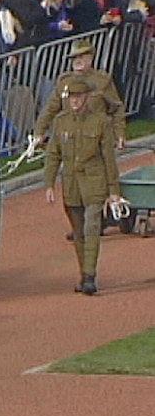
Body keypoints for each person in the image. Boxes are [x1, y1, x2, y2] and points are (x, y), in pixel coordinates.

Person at [43, 79, 120, 295]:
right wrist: (49, 183)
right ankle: (83, 273)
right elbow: (53, 154)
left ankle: (89, 276)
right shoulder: (61, 122)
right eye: (72, 98)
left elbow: (109, 158)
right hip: (71, 186)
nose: (75, 101)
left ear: (86, 98)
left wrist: (114, 191)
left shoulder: (101, 122)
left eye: (78, 97)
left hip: (94, 183)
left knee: (92, 227)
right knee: (78, 233)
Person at [34, 38, 126, 150]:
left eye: (81, 57)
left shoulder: (102, 81)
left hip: (97, 139)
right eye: (74, 58)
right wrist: (39, 133)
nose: (77, 61)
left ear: (91, 58)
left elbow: (117, 109)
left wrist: (119, 135)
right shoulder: (64, 82)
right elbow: (50, 110)